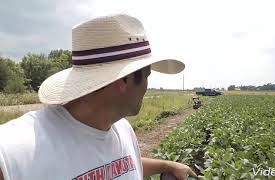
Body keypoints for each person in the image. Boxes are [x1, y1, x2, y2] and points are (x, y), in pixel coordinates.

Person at [0, 14, 197, 180]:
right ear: (125, 80)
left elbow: (114, 166)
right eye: (146, 76)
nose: (147, 86)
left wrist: (166, 165)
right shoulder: (15, 150)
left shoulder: (122, 128)